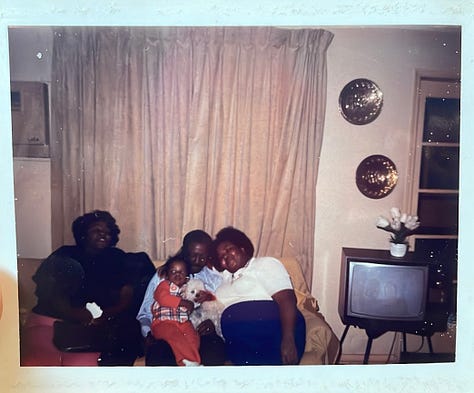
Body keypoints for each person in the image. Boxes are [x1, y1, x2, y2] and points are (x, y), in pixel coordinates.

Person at [20, 210, 155, 366]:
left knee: (88, 363)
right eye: (97, 230)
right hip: (53, 321)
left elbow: (127, 295)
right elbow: (52, 292)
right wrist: (76, 315)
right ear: (83, 233)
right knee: (40, 363)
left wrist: (103, 315)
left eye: (107, 232)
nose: (103, 235)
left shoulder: (117, 257)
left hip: (97, 325)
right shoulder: (66, 254)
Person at [213, 226, 306, 365]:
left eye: (228, 249)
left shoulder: (263, 264)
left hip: (272, 334)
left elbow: (286, 300)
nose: (225, 256)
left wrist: (288, 339)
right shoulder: (223, 281)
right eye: (221, 256)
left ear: (242, 248)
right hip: (240, 343)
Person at [137, 230, 225, 366]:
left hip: (198, 334)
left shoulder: (213, 279)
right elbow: (145, 312)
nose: (197, 261)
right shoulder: (163, 275)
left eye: (203, 257)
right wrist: (148, 332)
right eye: (193, 255)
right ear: (184, 252)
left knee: (214, 348)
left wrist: (213, 325)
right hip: (166, 330)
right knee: (159, 352)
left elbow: (218, 308)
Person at [151, 254, 200, 366]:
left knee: (193, 338)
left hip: (183, 323)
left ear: (187, 276)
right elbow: (163, 299)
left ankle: (191, 361)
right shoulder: (164, 285)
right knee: (176, 339)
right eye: (173, 272)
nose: (177, 274)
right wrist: (183, 303)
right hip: (164, 323)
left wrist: (192, 304)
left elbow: (193, 304)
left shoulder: (186, 288)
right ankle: (189, 363)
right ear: (167, 275)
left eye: (181, 272)